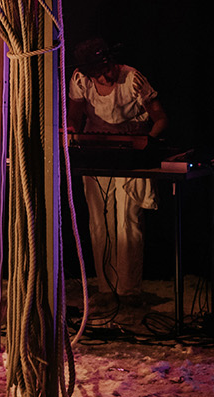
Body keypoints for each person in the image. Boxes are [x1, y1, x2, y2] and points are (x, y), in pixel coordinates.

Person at [66, 38, 169, 303]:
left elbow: (160, 118)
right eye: (98, 72)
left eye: (107, 68)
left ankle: (128, 289)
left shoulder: (132, 78)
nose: (105, 75)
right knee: (98, 220)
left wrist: (147, 144)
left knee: (127, 219)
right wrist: (71, 131)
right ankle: (105, 287)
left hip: (130, 152)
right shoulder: (80, 80)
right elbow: (74, 116)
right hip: (96, 149)